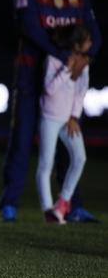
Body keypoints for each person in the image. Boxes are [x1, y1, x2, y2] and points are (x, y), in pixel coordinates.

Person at [0, 0, 102, 223]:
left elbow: (94, 33)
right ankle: (10, 203)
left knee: (69, 143)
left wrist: (86, 57)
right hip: (32, 78)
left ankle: (72, 204)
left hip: (64, 86)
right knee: (22, 141)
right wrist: (67, 56)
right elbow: (31, 29)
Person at [36, 24, 90, 224]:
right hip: (50, 117)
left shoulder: (84, 64)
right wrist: (67, 69)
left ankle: (62, 203)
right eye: (87, 41)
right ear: (76, 44)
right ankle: (48, 210)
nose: (90, 44)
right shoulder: (53, 60)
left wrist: (74, 117)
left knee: (80, 158)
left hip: (68, 120)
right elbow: (50, 90)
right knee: (46, 164)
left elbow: (80, 93)